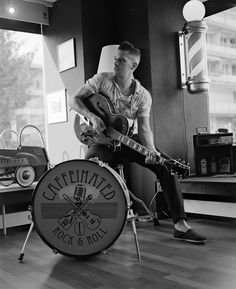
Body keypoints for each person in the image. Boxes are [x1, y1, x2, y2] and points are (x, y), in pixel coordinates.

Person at [68, 41, 206, 244]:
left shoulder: (143, 96)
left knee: (165, 167)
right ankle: (91, 228)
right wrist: (92, 116)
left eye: (121, 60)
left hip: (126, 141)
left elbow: (144, 129)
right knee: (91, 171)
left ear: (132, 66)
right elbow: (73, 100)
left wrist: (150, 151)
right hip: (100, 143)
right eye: (116, 58)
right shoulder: (101, 80)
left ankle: (180, 225)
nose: (115, 62)